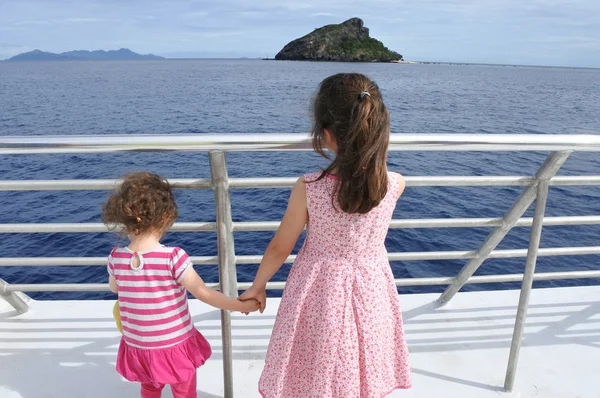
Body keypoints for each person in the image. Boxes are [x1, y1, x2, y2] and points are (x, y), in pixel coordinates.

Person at [239, 73, 412, 397]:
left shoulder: (311, 187)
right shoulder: (396, 183)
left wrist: (258, 286)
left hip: (319, 290)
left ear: (327, 133)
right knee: (361, 360)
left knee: (317, 363)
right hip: (372, 286)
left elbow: (280, 246)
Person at [103, 172, 259, 398]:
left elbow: (115, 289)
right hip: (174, 346)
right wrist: (240, 305)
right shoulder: (173, 258)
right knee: (184, 391)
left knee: (149, 388)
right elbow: (203, 293)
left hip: (139, 347)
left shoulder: (116, 257)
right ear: (166, 217)